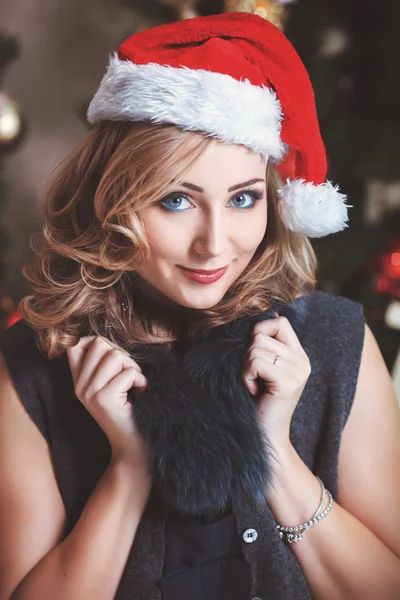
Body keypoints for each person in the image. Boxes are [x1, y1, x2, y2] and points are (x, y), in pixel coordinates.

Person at [0, 11, 399, 600]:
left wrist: (274, 456)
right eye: (176, 200)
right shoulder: (32, 365)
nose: (216, 243)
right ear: (113, 202)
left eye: (243, 198)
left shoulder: (336, 342)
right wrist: (129, 469)